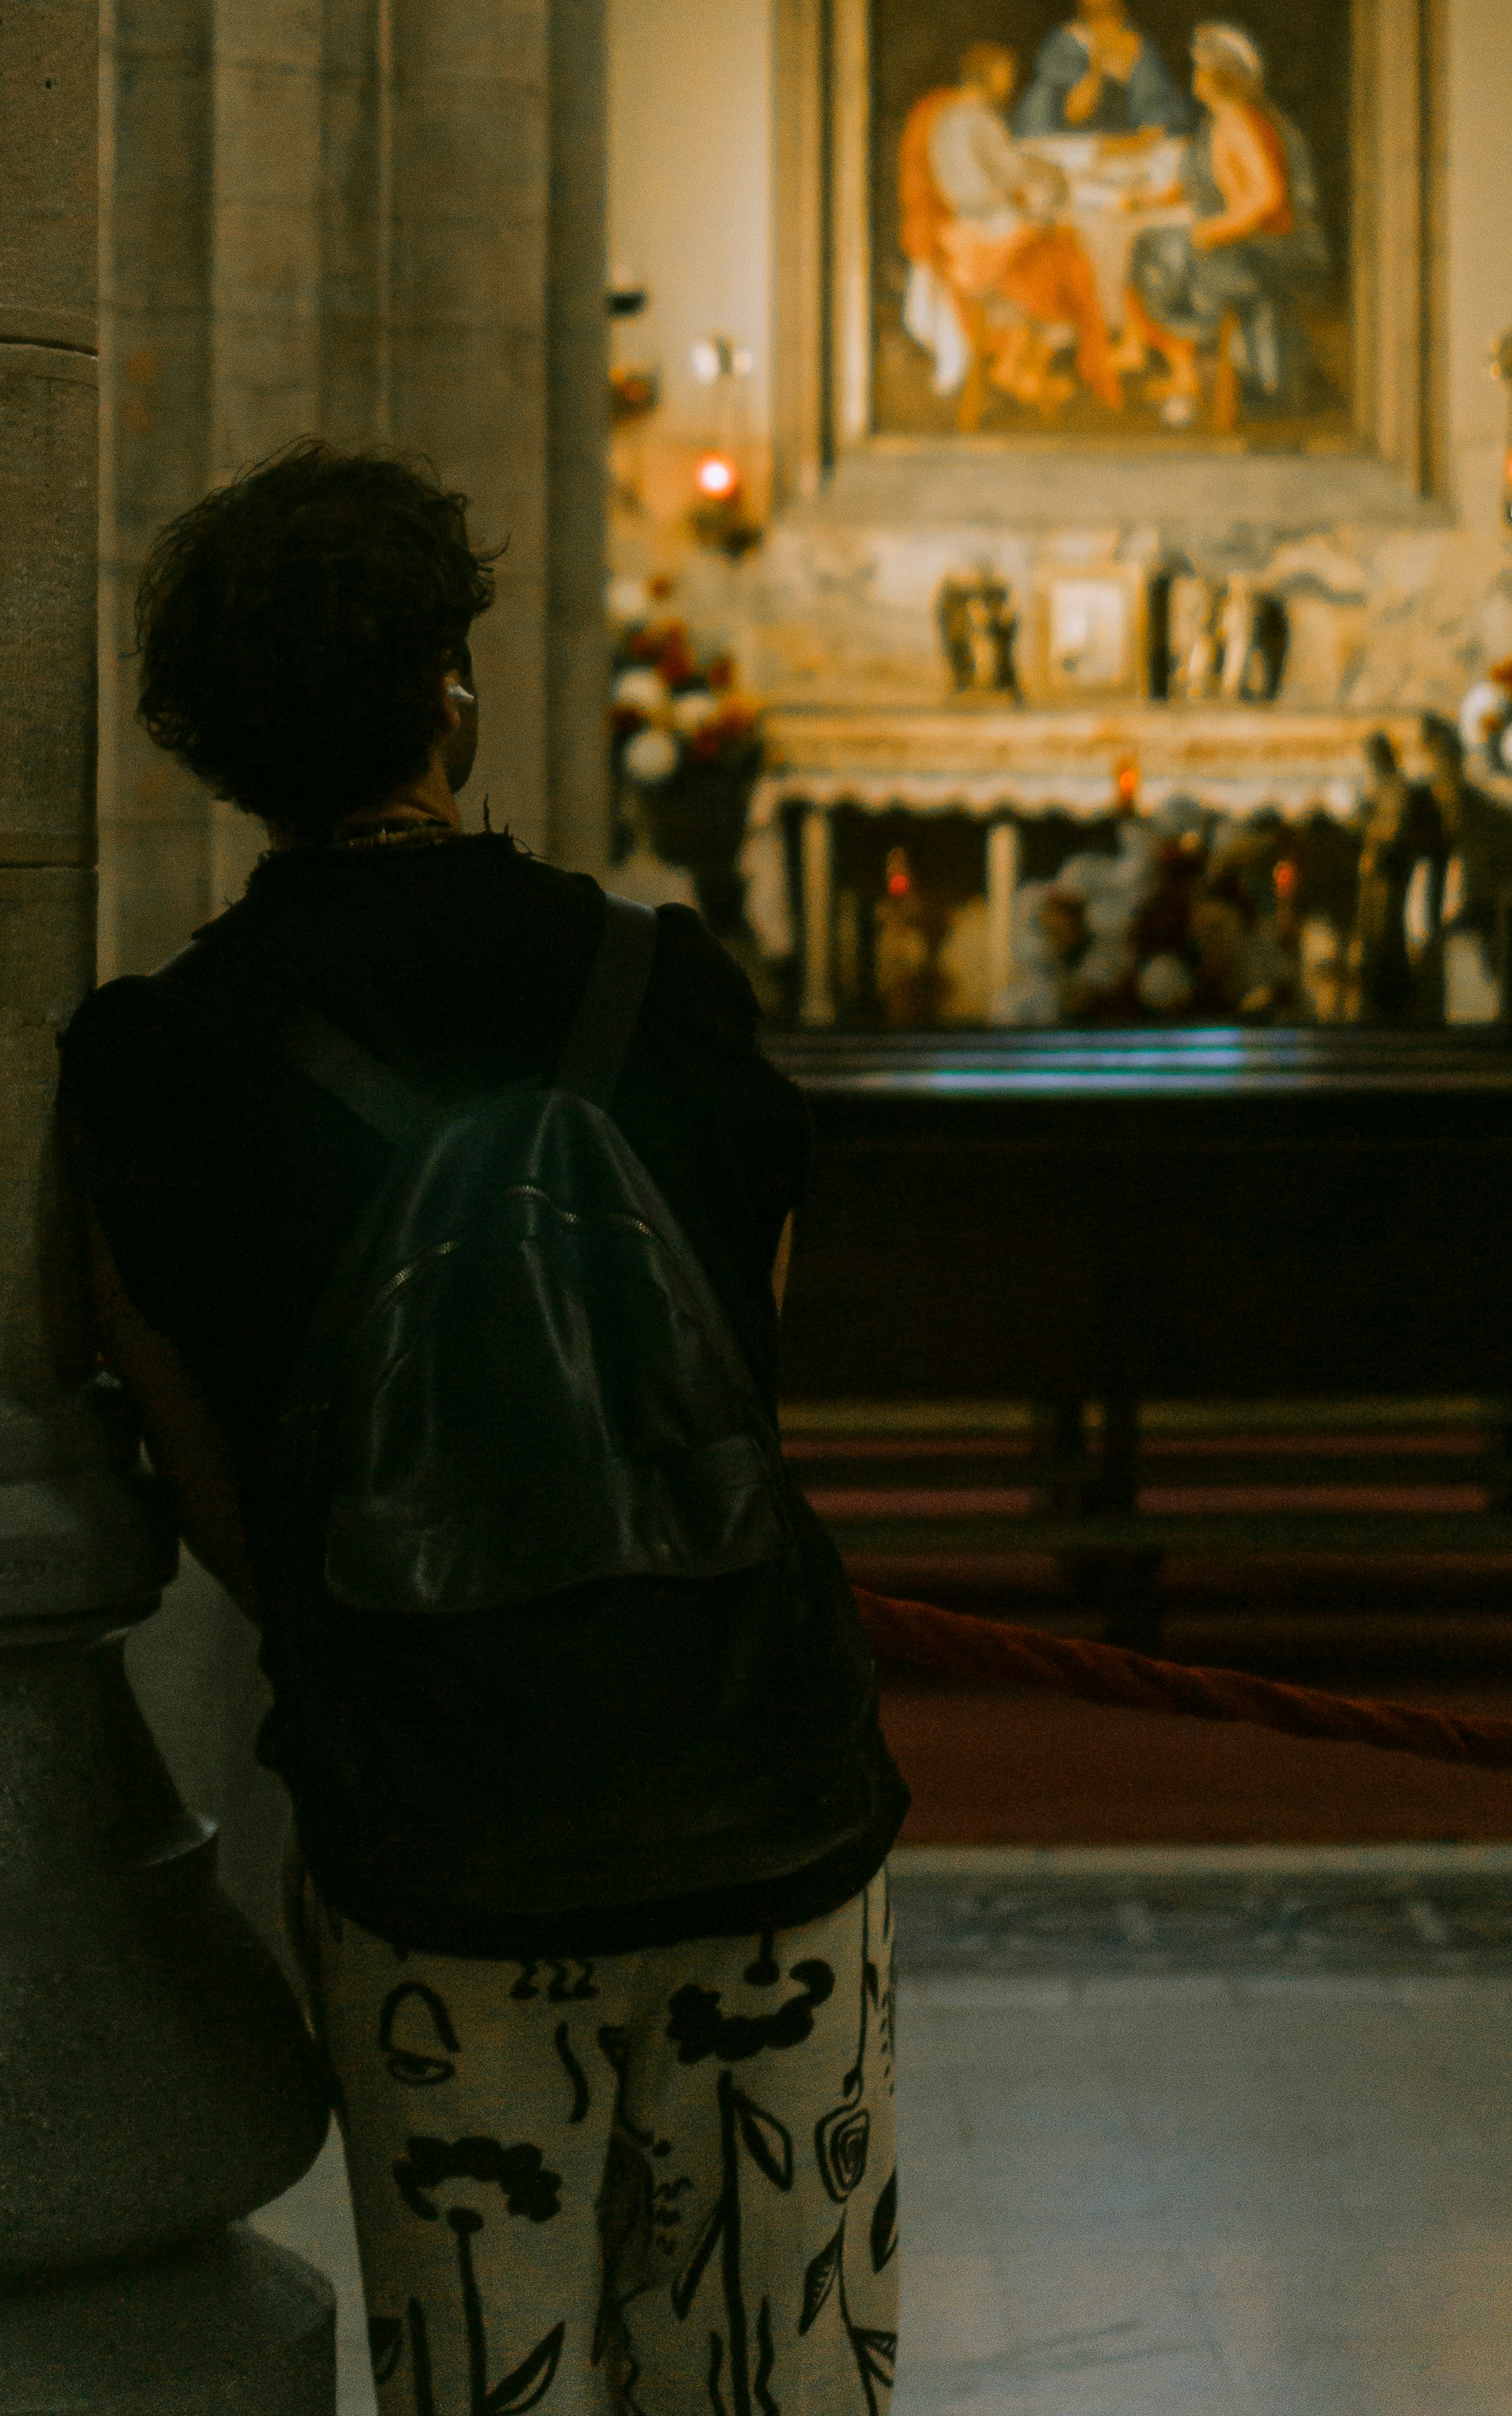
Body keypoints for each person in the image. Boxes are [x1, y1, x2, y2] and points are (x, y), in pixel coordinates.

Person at [56, 445, 907, 2413]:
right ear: (450, 690)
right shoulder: (664, 982)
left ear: (217, 746)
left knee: (487, 2369)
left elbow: (214, 1489)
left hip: (436, 1815)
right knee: (778, 2369)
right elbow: (743, 1373)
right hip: (758, 1778)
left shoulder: (155, 1066)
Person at [897, 41, 1121, 415]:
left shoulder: (946, 116)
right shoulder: (978, 118)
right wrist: (1054, 174)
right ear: (986, 77)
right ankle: (1030, 368)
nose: (1008, 84)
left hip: (965, 229)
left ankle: (1019, 368)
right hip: (989, 231)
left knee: (1061, 247)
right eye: (1004, 77)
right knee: (1073, 259)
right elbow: (1012, 173)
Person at [1125, 19, 1330, 426]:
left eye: (1201, 68)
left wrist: (1210, 232)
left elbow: (1266, 197)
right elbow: (1204, 184)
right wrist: (1150, 199)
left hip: (1270, 252)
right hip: (1242, 245)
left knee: (1160, 255)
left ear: (1220, 77)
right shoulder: (1218, 122)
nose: (1196, 77)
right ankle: (1186, 371)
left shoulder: (1239, 123)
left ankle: (1199, 375)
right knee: (1152, 243)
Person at [1012, 0, 1192, 141]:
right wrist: (1096, 69)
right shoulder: (1065, 40)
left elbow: (1156, 106)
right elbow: (1072, 109)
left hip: (1124, 136)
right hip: (1067, 137)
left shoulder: (1136, 41)